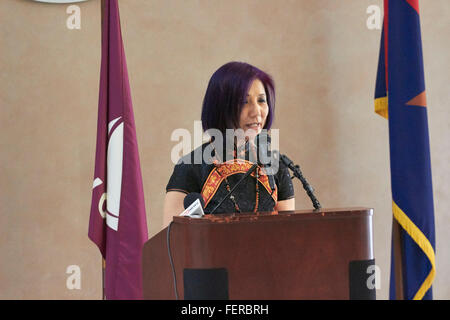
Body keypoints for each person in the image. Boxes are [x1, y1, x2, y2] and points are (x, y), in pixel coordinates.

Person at [163, 61, 295, 226]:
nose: (257, 112)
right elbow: (171, 241)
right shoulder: (190, 166)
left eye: (262, 100)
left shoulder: (276, 166)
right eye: (244, 102)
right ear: (220, 107)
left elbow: (288, 233)